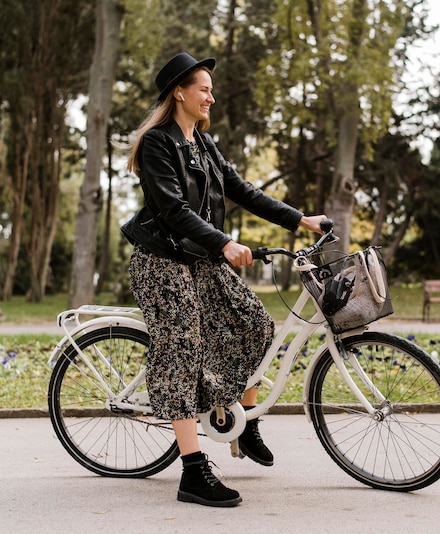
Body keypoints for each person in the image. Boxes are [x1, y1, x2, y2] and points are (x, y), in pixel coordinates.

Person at [123, 52, 326, 507]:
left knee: (255, 325)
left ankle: (244, 422)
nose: (211, 96)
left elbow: (241, 190)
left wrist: (299, 220)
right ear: (179, 91)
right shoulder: (158, 143)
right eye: (204, 88)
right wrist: (225, 244)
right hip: (163, 260)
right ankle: (193, 473)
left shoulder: (203, 143)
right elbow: (173, 211)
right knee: (183, 350)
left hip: (201, 257)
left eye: (211, 89)